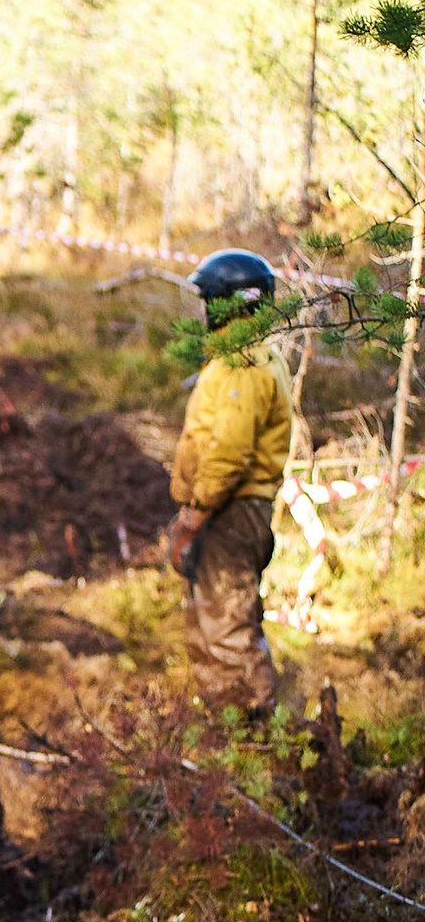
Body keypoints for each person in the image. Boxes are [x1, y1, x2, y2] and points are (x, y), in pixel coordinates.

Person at [164, 248, 293, 718]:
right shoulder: (239, 358)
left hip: (230, 512)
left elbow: (230, 451)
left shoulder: (246, 365)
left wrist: (195, 516)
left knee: (231, 631)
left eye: (210, 302)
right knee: (208, 625)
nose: (203, 313)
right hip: (221, 509)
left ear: (228, 304)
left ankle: (259, 734)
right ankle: (225, 724)